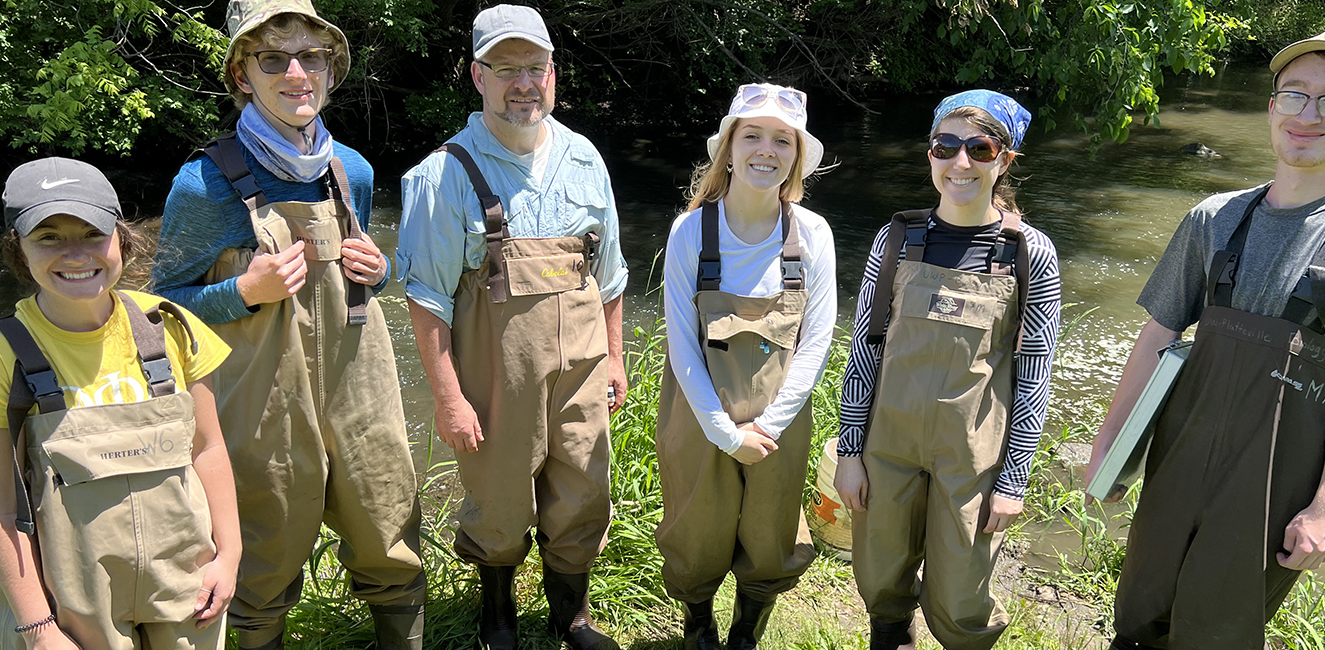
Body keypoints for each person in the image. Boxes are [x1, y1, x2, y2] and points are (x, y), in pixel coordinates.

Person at [1086, 28, 1325, 650]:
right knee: (1137, 617)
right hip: (1178, 459)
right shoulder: (1213, 219)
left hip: (1273, 484)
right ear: (1273, 108)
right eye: (1295, 94)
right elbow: (1155, 334)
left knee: (1220, 632)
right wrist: (1109, 447)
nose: (1309, 114)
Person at [152, 1, 426, 648]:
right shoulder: (200, 185)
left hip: (361, 378)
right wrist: (243, 291)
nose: (296, 72)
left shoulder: (349, 170)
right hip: (259, 393)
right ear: (243, 75)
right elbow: (161, 306)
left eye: (313, 56)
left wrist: (377, 268)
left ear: (333, 69)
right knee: (264, 554)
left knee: (388, 525)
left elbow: (360, 277)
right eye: (274, 58)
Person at [397, 5, 628, 650]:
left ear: (553, 73)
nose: (524, 83)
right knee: (499, 499)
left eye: (535, 68)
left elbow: (609, 276)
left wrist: (614, 358)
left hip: (582, 364)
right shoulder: (443, 175)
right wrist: (447, 396)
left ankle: (570, 616)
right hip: (497, 371)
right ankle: (496, 616)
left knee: (583, 484)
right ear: (478, 76)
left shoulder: (585, 159)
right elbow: (427, 299)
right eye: (506, 69)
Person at [0, 157, 240, 649]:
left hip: (186, 586)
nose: (76, 255)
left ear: (122, 238)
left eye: (92, 233)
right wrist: (38, 629)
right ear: (18, 249)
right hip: (66, 606)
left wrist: (228, 556)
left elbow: (208, 450)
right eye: (49, 237)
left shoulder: (172, 327)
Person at [835, 90, 1061, 650]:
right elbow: (864, 347)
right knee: (880, 575)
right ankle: (892, 636)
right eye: (947, 146)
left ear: (1005, 161)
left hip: (973, 457)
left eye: (980, 149)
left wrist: (1013, 480)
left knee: (963, 597)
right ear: (930, 154)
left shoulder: (1030, 252)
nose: (961, 162)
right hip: (887, 447)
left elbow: (1035, 374)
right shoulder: (896, 239)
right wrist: (849, 450)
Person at [654, 83, 837, 650]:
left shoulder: (813, 235)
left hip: (778, 425)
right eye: (751, 135)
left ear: (797, 157)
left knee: (770, 532)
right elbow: (681, 344)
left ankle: (745, 634)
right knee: (696, 528)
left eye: (783, 140)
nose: (766, 149)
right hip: (698, 416)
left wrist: (769, 426)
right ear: (727, 149)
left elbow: (818, 342)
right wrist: (721, 431)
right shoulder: (691, 231)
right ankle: (700, 626)